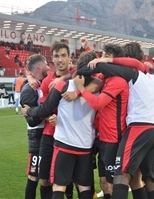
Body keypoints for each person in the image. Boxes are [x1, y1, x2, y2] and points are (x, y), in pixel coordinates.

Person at [78, 42, 154, 199]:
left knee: (120, 176)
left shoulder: (132, 75)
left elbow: (103, 68)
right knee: (150, 181)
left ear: (127, 59)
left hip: (139, 129)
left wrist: (78, 74)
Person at [22, 51, 102, 199]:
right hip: (85, 145)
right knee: (84, 187)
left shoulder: (63, 87)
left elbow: (44, 108)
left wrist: (29, 111)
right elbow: (99, 82)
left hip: (64, 144)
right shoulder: (98, 89)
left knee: (59, 185)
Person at [73, 43, 128, 199]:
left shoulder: (118, 80)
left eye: (104, 55)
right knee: (104, 183)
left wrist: (80, 90)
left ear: (113, 60)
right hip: (102, 138)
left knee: (113, 183)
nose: (100, 59)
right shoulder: (106, 76)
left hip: (113, 139)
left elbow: (98, 103)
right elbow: (87, 70)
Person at [25, 42, 74, 199]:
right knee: (44, 179)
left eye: (63, 55)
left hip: (71, 135)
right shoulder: (47, 81)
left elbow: (86, 67)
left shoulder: (77, 75)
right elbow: (45, 107)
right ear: (52, 59)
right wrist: (48, 116)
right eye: (56, 56)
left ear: (69, 57)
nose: (60, 59)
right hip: (49, 134)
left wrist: (65, 77)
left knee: (70, 179)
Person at [20, 54, 50, 199]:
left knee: (46, 177)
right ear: (39, 66)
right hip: (37, 137)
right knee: (34, 177)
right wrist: (46, 112)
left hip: (47, 135)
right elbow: (31, 121)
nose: (48, 65)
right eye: (45, 63)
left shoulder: (40, 82)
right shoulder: (28, 89)